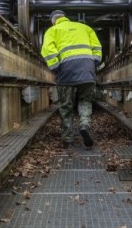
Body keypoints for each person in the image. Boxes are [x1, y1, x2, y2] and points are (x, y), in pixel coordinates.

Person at [41, 10, 102, 149]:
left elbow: (48, 51)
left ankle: (68, 139)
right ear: (65, 18)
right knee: (85, 100)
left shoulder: (52, 31)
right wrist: (93, 64)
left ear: (53, 21)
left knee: (65, 106)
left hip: (66, 72)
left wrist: (56, 67)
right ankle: (84, 125)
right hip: (87, 71)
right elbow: (97, 48)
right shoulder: (85, 28)